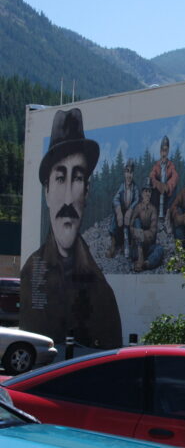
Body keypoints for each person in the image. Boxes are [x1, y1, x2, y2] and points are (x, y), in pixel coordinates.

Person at [19, 108, 123, 348]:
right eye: (59, 178)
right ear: (46, 191)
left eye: (77, 178)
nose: (67, 199)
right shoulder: (30, 273)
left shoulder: (102, 292)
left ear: (86, 192)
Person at [130, 177, 165, 272]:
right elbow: (131, 227)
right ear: (142, 193)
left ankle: (146, 264)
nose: (147, 194)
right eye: (145, 191)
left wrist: (141, 235)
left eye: (149, 191)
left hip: (148, 247)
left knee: (160, 249)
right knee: (137, 222)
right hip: (136, 249)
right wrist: (137, 234)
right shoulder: (137, 208)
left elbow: (153, 232)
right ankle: (140, 257)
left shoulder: (153, 210)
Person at [106, 159, 139, 259]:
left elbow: (137, 200)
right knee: (114, 219)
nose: (129, 175)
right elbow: (115, 199)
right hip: (122, 214)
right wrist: (119, 210)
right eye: (127, 171)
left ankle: (131, 245)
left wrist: (130, 210)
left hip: (130, 215)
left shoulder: (135, 188)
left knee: (135, 222)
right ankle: (113, 245)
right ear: (124, 173)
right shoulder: (122, 187)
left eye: (131, 172)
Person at [149, 135, 178, 230]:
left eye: (165, 150)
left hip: (166, 197)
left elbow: (175, 176)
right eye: (162, 150)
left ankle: (168, 214)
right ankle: (153, 214)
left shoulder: (170, 165)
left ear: (168, 151)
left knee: (175, 188)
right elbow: (152, 175)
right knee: (149, 184)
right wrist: (158, 184)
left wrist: (167, 186)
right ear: (160, 151)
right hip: (158, 197)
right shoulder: (157, 165)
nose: (164, 153)